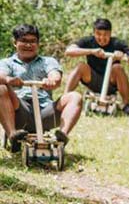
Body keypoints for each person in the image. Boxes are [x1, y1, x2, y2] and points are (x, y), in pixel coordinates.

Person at [0, 24, 83, 152]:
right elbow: (1, 75)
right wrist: (9, 80)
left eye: (32, 41)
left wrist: (51, 81)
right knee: (1, 88)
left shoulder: (48, 61)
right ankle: (12, 135)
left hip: (45, 110)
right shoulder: (7, 63)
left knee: (75, 96)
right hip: (19, 109)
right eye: (24, 41)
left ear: (38, 44)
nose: (28, 45)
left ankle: (61, 136)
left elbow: (56, 77)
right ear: (15, 43)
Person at [64, 18, 129, 116]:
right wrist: (91, 51)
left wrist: (123, 57)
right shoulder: (88, 41)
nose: (102, 38)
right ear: (94, 33)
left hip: (111, 82)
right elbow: (69, 51)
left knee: (117, 67)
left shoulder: (117, 43)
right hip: (92, 80)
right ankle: (65, 99)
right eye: (98, 34)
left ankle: (127, 105)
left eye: (105, 35)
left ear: (110, 34)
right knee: (81, 66)